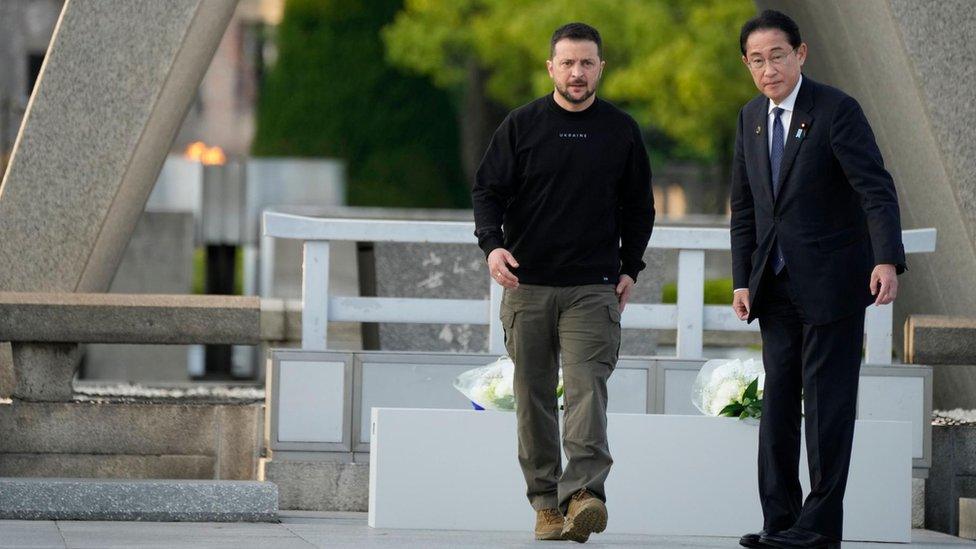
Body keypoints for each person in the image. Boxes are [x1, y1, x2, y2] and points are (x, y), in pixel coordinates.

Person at [471, 21, 654, 543]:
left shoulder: (621, 130)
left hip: (592, 288)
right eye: (568, 63)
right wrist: (492, 245)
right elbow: (487, 191)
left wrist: (629, 266)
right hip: (526, 287)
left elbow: (640, 207)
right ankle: (545, 504)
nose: (578, 72)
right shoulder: (521, 125)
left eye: (587, 63)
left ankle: (585, 496)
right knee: (531, 398)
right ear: (551, 67)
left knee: (585, 390)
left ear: (601, 68)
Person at [730, 10, 906, 549]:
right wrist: (742, 278)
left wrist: (886, 259)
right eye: (757, 60)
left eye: (777, 56)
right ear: (747, 65)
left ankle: (819, 526)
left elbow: (875, 188)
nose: (768, 69)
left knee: (828, 408)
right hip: (774, 286)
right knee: (778, 404)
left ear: (800, 54)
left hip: (832, 284)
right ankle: (778, 521)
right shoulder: (750, 118)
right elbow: (744, 207)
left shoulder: (835, 110)